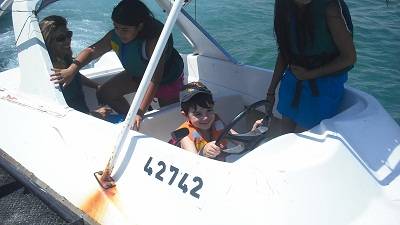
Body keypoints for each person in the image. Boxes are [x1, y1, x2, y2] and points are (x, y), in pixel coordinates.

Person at [50, 0, 184, 130]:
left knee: (168, 117)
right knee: (104, 93)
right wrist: (72, 69)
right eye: (116, 27)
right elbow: (92, 51)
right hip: (139, 74)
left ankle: (145, 123)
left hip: (165, 79)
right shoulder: (115, 36)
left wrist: (140, 112)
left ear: (140, 26)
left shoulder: (152, 43)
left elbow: (155, 78)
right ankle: (130, 122)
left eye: (125, 29)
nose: (119, 32)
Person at [266, 0, 356, 134]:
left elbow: (349, 58)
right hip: (293, 81)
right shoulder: (284, 5)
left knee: (308, 139)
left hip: (322, 87)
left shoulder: (330, 8)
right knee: (284, 135)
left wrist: (309, 74)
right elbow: (285, 52)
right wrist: (271, 92)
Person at [40, 15, 111, 118]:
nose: (67, 40)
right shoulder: (52, 74)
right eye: (61, 38)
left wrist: (96, 86)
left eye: (68, 34)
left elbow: (73, 75)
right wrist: (97, 115)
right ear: (49, 42)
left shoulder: (65, 59)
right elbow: (64, 115)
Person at [174, 82, 262, 160]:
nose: (205, 117)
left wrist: (254, 133)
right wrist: (203, 152)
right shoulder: (185, 135)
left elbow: (239, 139)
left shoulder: (217, 122)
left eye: (209, 110)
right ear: (185, 115)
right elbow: (192, 164)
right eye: (198, 114)